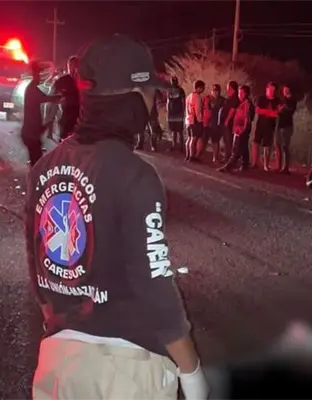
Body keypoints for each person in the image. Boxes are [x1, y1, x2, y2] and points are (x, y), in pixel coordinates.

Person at [25, 34, 208, 400]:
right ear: (134, 96)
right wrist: (192, 373)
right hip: (124, 371)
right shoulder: (134, 174)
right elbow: (155, 284)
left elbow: (38, 266)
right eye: (151, 94)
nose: (154, 103)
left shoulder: (45, 167)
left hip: (57, 366)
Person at [21, 61, 61, 166]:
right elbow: (45, 98)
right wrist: (60, 96)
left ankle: (33, 172)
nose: (40, 78)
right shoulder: (32, 89)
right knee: (37, 158)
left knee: (36, 156)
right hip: (31, 131)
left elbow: (45, 98)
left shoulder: (32, 88)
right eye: (39, 75)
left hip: (31, 131)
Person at [218, 85, 254, 173]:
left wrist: (243, 128)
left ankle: (228, 166)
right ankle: (244, 165)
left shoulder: (247, 104)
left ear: (246, 94)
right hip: (238, 128)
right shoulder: (241, 103)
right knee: (243, 147)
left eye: (241, 93)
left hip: (240, 129)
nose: (239, 95)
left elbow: (247, 118)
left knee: (236, 149)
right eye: (239, 93)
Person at [252, 82, 280, 171]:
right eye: (270, 89)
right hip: (260, 124)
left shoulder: (277, 100)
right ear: (266, 89)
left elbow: (276, 113)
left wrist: (265, 112)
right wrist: (269, 112)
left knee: (267, 145)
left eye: (273, 90)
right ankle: (254, 163)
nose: (272, 92)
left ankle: (266, 165)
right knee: (256, 142)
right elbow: (257, 110)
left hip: (270, 126)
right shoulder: (261, 98)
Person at [53, 56, 80, 142]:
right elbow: (54, 95)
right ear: (68, 66)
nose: (73, 68)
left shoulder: (83, 80)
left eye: (75, 65)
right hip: (66, 114)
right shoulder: (62, 81)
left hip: (80, 115)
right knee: (64, 137)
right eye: (71, 66)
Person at [275, 85, 297, 173]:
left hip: (287, 126)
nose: (284, 91)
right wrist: (281, 108)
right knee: (278, 145)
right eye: (284, 89)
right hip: (280, 125)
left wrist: (282, 107)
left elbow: (288, 109)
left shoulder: (292, 100)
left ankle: (285, 167)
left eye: (286, 89)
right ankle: (279, 166)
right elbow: (278, 109)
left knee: (285, 146)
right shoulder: (282, 99)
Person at [202, 84, 226, 163]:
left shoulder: (222, 100)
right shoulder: (207, 98)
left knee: (215, 141)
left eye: (217, 91)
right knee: (204, 140)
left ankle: (215, 158)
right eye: (214, 91)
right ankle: (200, 155)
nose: (216, 92)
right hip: (207, 123)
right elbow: (204, 110)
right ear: (211, 91)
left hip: (217, 124)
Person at [184, 80, 205, 161]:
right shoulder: (197, 97)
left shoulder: (188, 96)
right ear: (199, 88)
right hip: (195, 121)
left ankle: (187, 155)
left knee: (189, 138)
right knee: (194, 139)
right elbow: (197, 111)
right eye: (202, 87)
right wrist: (200, 120)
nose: (203, 89)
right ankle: (192, 156)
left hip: (188, 120)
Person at [221, 81, 239, 161]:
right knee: (226, 140)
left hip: (229, 122)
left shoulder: (234, 98)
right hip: (227, 121)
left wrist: (227, 120)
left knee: (228, 140)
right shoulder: (230, 97)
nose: (227, 89)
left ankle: (229, 158)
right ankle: (227, 157)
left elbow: (232, 110)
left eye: (228, 87)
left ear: (231, 87)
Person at [166, 76, 185, 152]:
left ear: (177, 81)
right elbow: (168, 102)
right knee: (173, 130)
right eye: (172, 81)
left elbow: (183, 102)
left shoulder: (181, 90)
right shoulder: (169, 90)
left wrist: (183, 112)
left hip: (179, 113)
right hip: (171, 114)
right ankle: (174, 146)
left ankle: (181, 147)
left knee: (180, 131)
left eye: (174, 81)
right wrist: (168, 112)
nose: (173, 82)